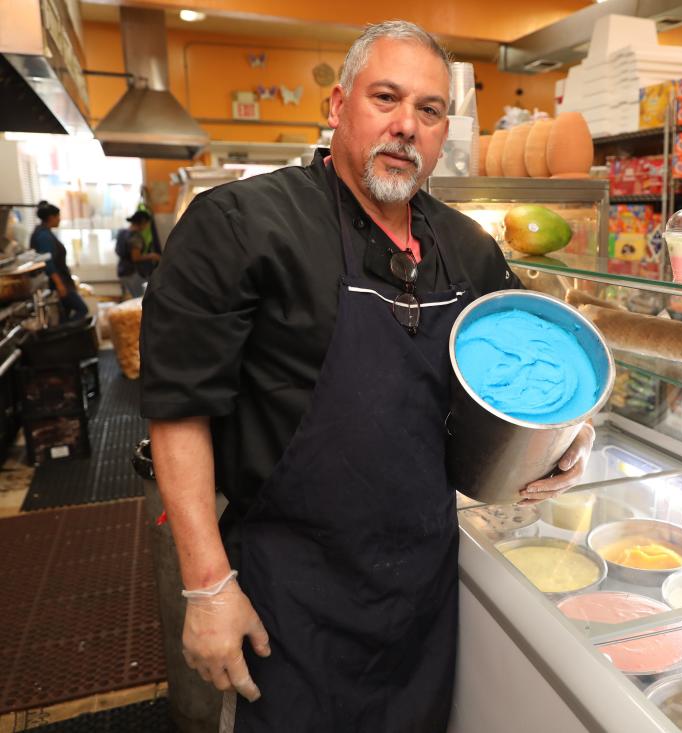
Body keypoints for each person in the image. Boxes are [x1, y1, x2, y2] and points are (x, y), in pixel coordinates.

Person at [140, 20, 595, 733]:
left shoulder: (469, 249)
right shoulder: (244, 225)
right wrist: (206, 586)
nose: (406, 126)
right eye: (386, 98)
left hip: (419, 594)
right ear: (338, 106)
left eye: (430, 110)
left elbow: (529, 369)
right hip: (287, 598)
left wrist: (559, 440)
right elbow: (177, 409)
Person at [30, 201, 88, 322]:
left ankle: (67, 335)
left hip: (61, 280)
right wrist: (59, 284)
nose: (60, 219)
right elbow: (48, 262)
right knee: (81, 309)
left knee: (64, 314)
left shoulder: (45, 232)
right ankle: (68, 333)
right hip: (57, 282)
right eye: (58, 216)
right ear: (51, 217)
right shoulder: (43, 236)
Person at [115, 210, 160, 298]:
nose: (147, 226)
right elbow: (135, 257)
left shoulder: (122, 233)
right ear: (143, 222)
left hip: (122, 271)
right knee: (140, 299)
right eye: (147, 223)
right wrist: (153, 255)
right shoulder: (135, 237)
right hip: (132, 273)